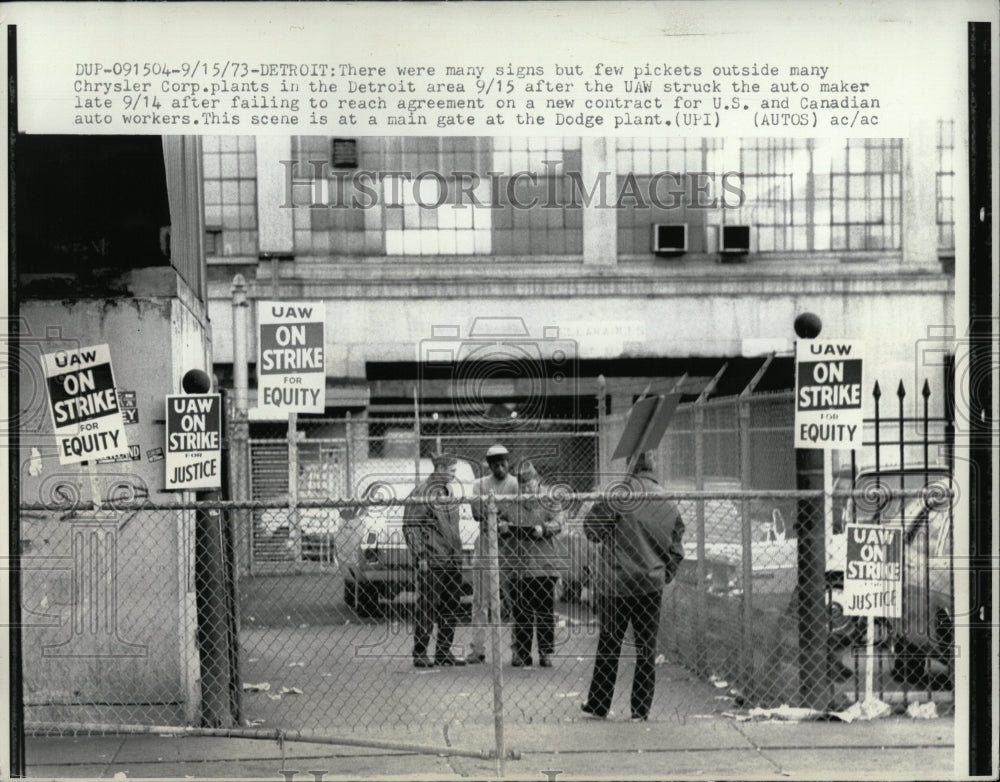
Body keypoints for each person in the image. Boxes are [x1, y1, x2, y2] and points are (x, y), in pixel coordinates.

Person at [581, 452, 685, 721]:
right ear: (652, 467)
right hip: (650, 583)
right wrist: (664, 575)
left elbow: (592, 530)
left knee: (609, 644)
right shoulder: (667, 501)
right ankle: (641, 708)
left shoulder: (621, 493)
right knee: (646, 648)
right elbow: (676, 547)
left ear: (631, 467)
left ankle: (599, 703)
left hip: (617, 583)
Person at [402, 453, 467, 668]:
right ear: (439, 468)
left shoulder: (448, 491)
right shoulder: (422, 492)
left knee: (450, 606)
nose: (453, 474)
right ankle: (420, 652)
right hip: (432, 559)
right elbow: (411, 526)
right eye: (451, 470)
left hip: (451, 559)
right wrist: (420, 555)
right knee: (427, 606)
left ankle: (443, 651)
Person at [507, 461, 563, 668]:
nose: (527, 490)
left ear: (537, 481)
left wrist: (544, 528)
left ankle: (545, 653)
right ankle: (522, 653)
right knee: (521, 612)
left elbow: (559, 521)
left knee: (544, 612)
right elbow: (502, 519)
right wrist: (504, 526)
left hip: (544, 564)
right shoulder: (513, 500)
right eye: (523, 486)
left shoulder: (549, 497)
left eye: (530, 485)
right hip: (520, 565)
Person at [466, 443, 519, 664]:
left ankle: (518, 650)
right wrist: (499, 515)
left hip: (510, 548)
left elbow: (518, 515)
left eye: (503, 463)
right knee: (480, 602)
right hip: (486, 547)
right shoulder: (480, 485)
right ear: (489, 466)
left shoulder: (516, 484)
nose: (500, 468)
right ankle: (478, 649)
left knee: (514, 602)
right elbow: (479, 515)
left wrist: (498, 515)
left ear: (508, 463)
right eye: (495, 465)